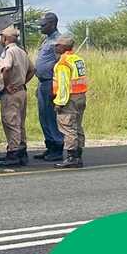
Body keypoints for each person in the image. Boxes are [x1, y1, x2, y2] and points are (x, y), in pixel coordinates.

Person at [0, 25, 33, 167]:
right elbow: (32, 69)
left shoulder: (9, 52)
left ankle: (13, 153)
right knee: (20, 123)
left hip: (11, 93)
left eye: (1, 36)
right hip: (21, 91)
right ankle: (22, 151)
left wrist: (6, 85)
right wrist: (22, 83)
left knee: (11, 122)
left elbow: (6, 69)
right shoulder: (21, 51)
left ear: (5, 38)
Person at [52, 35, 88, 169]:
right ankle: (78, 155)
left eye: (58, 45)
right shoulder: (78, 59)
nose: (55, 47)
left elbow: (63, 85)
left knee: (68, 127)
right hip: (81, 96)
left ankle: (72, 157)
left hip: (69, 99)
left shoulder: (63, 62)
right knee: (77, 125)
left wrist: (59, 102)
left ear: (64, 47)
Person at [33, 13, 66, 161]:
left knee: (51, 116)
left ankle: (57, 147)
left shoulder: (58, 41)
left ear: (52, 24)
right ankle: (50, 145)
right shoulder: (46, 40)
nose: (41, 27)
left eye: (43, 24)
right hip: (42, 82)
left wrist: (55, 85)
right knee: (43, 116)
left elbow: (60, 65)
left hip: (50, 82)